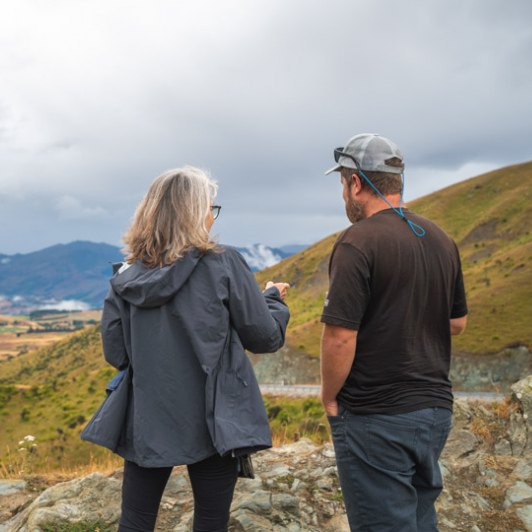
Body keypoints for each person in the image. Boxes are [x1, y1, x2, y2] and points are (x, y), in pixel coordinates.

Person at [82, 166, 290, 532]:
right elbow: (265, 337)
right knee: (211, 520)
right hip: (215, 419)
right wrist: (273, 302)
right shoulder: (223, 262)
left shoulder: (126, 275)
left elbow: (117, 355)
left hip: (148, 418)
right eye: (211, 206)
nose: (213, 215)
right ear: (195, 213)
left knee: (136, 521)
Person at [320, 134, 468, 531]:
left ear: (355, 184)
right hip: (435, 411)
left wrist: (330, 396)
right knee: (420, 522)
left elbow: (339, 337)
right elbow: (457, 322)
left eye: (343, 184)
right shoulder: (441, 238)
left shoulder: (356, 242)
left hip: (376, 415)